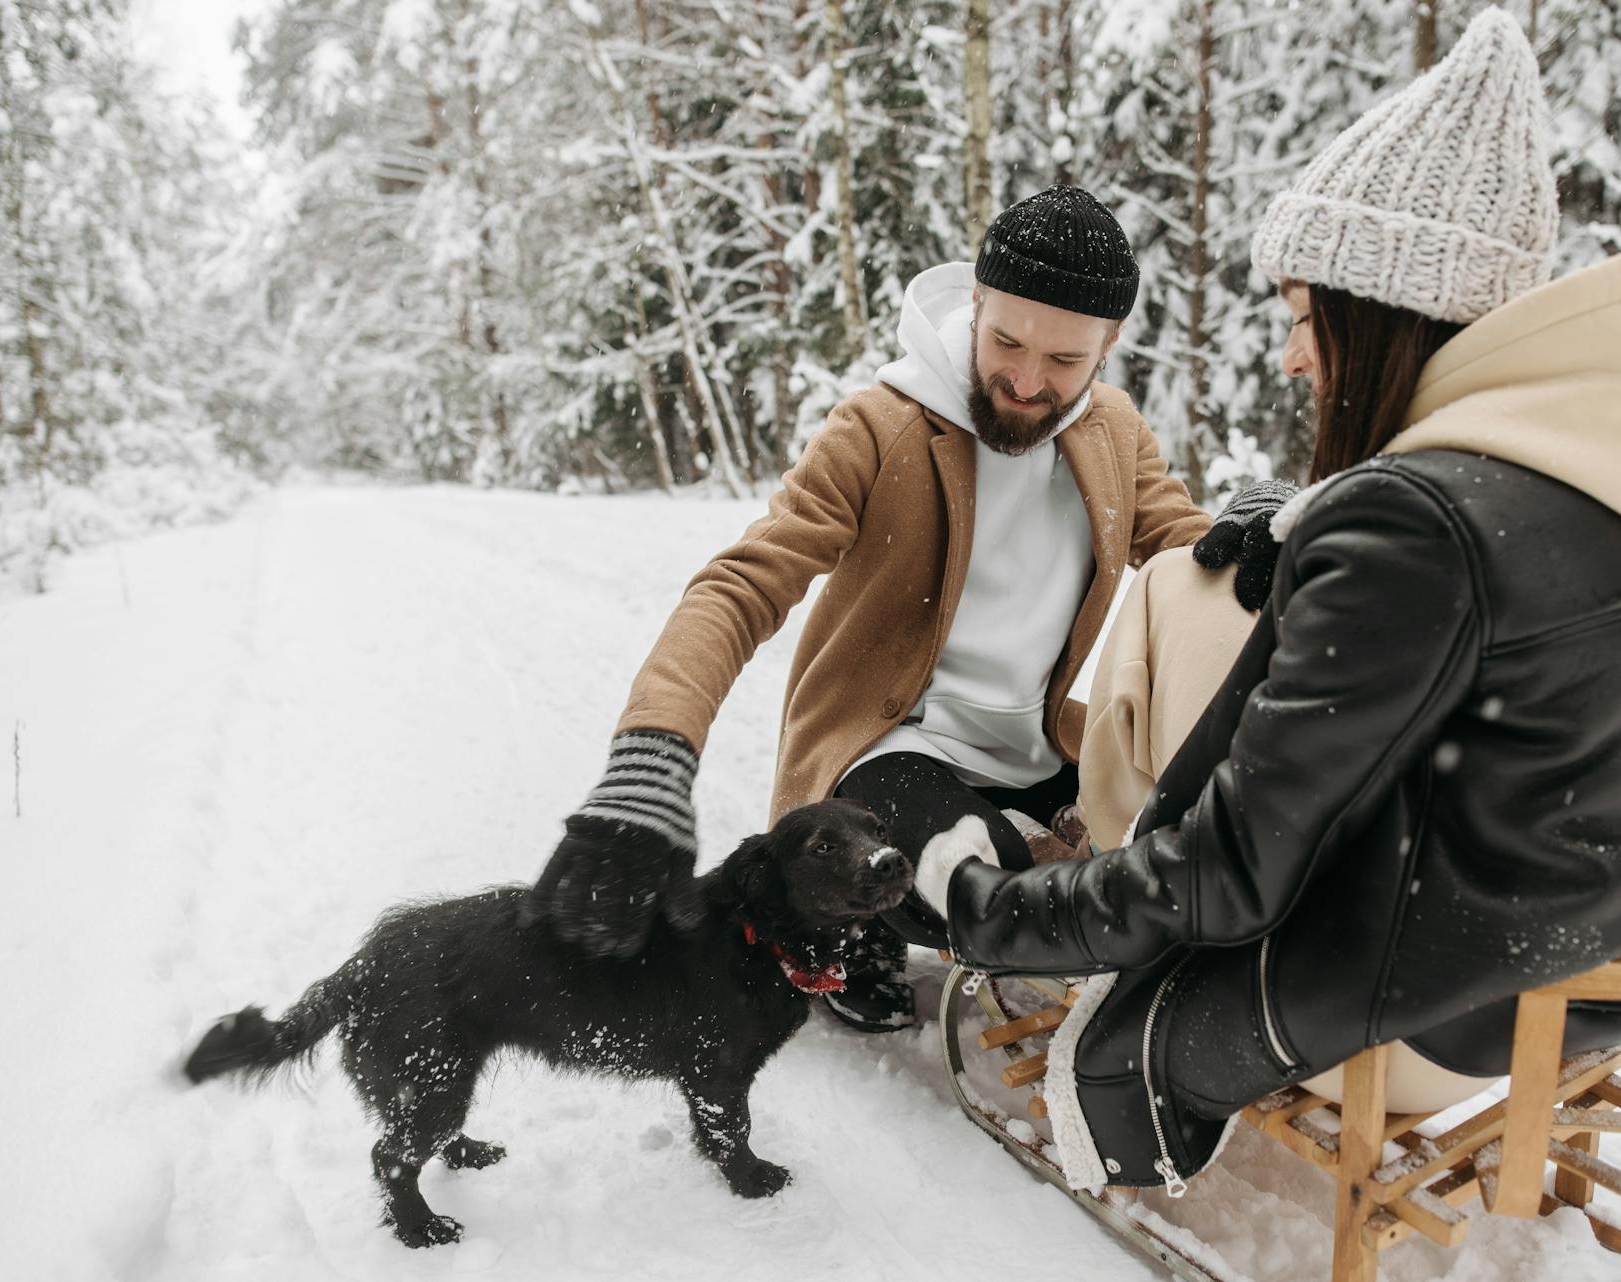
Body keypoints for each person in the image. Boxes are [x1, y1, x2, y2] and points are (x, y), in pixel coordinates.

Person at [915, 8, 1621, 1195]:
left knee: (1179, 611)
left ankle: (1082, 872)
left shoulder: (1411, 522)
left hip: (1461, 1003)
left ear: (1373, 317)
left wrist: (978, 905)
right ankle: (1101, 855)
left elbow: (1225, 881)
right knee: (1201, 581)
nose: (1291, 359)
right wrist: (1313, 526)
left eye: (1299, 319)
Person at [531, 186, 1293, 1032]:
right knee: (1000, 890)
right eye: (1005, 340)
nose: (1026, 380)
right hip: (890, 747)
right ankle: (857, 922)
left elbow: (1192, 556)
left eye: (1065, 361)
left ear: (1109, 346)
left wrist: (1263, 524)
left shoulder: (1113, 432)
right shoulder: (879, 427)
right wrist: (652, 756)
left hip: (1036, 746)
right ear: (975, 303)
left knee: (1175, 851)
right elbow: (740, 586)